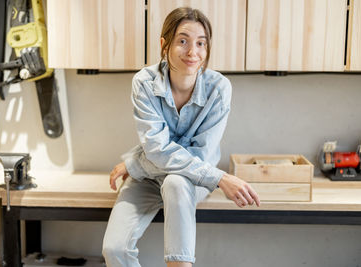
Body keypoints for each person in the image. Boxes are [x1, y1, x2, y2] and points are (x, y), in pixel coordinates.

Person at [102, 7, 260, 267]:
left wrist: (135, 163)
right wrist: (221, 178)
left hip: (188, 180)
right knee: (114, 249)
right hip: (148, 179)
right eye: (183, 41)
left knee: (175, 180)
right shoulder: (144, 82)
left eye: (201, 43)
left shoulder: (219, 89)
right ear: (165, 44)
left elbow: (198, 155)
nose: (192, 52)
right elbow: (157, 150)